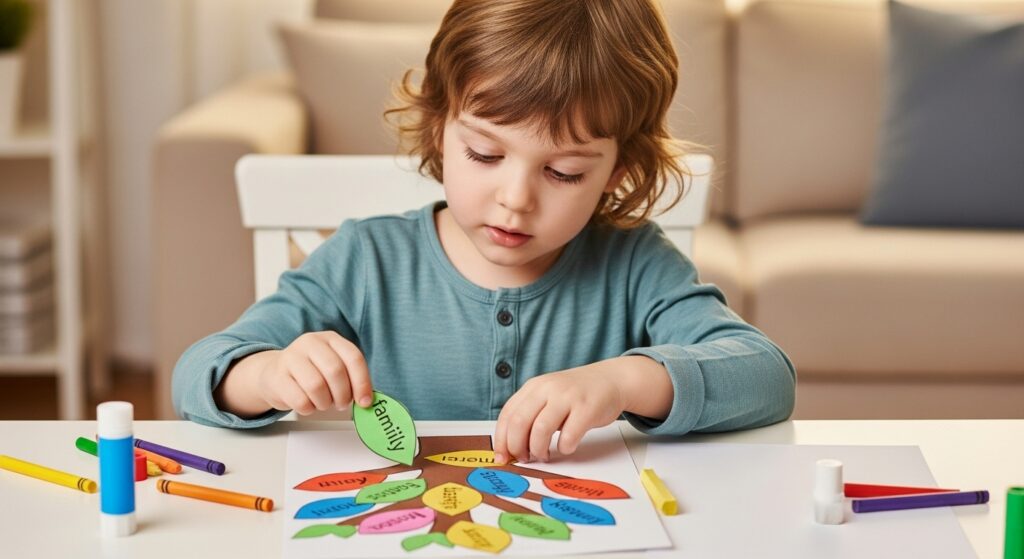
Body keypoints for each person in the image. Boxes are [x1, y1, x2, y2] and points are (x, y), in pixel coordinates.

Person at [172, 0, 796, 465]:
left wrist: (622, 380)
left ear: (618, 172)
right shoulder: (365, 260)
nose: (515, 198)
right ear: (440, 128)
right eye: (485, 155)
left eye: (563, 171)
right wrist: (266, 374)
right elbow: (196, 373)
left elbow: (767, 377)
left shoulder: (636, 266)